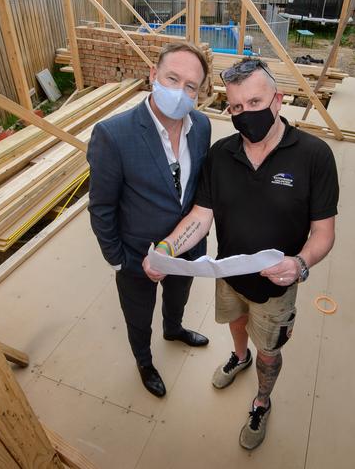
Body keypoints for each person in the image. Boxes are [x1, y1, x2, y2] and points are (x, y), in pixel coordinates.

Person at [142, 57, 339, 449]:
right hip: (228, 275)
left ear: (278, 100)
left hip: (277, 285)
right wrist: (165, 250)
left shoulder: (314, 156)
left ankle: (262, 399)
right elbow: (201, 216)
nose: (245, 114)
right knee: (235, 324)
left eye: (254, 103)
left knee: (269, 349)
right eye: (235, 107)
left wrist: (300, 263)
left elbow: (323, 233)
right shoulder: (220, 156)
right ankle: (238, 356)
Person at [87, 42, 212, 398]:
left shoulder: (201, 127)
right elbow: (102, 208)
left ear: (199, 93)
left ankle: (174, 330)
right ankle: (144, 360)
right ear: (153, 75)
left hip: (185, 249)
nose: (181, 91)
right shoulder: (114, 135)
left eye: (191, 86)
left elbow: (196, 193)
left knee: (178, 297)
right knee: (139, 316)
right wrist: (120, 260)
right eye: (173, 78)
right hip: (136, 256)